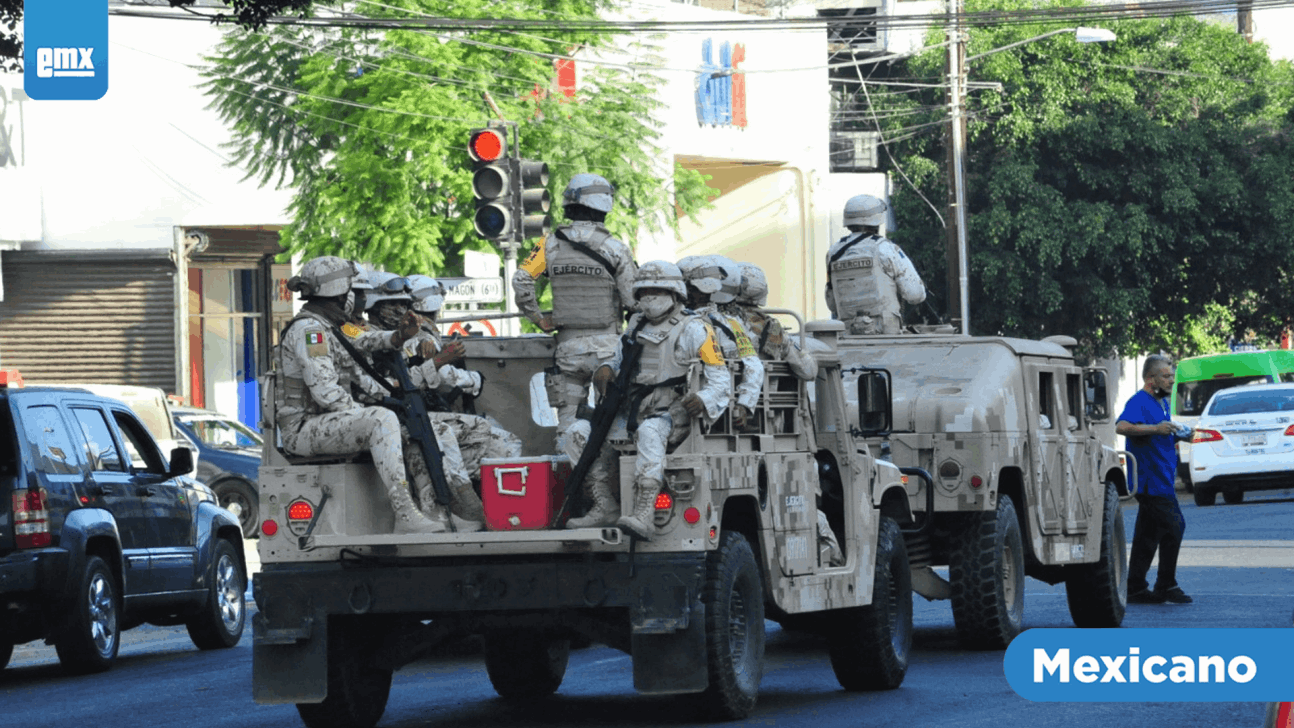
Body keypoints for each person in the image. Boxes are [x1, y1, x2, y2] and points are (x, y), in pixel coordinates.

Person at [275, 256, 451, 534]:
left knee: (412, 428)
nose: (355, 301)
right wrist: (371, 411)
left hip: (329, 422)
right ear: (337, 294)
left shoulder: (335, 324)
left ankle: (432, 509)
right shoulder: (310, 332)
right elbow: (327, 394)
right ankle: (404, 513)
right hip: (305, 428)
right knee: (381, 420)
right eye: (350, 293)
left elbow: (365, 338)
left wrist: (399, 336)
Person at [563, 260, 731, 538]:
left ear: (675, 293)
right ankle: (604, 504)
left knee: (650, 432)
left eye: (658, 290)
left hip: (672, 413)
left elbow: (720, 378)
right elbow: (617, 362)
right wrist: (604, 371)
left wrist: (702, 399)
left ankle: (644, 512)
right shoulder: (635, 325)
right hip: (629, 411)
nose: (649, 298)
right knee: (577, 432)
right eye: (643, 292)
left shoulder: (695, 329)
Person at [727, 262, 842, 566]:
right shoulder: (768, 327)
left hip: (726, 424)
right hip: (776, 426)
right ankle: (831, 558)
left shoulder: (714, 324)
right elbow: (807, 370)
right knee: (810, 502)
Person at [512, 173, 638, 442]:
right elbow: (632, 301)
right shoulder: (616, 249)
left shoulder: (548, 244)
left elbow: (521, 279)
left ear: (570, 204)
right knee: (614, 425)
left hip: (568, 350)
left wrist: (537, 318)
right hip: (607, 351)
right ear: (604, 206)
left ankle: (570, 480)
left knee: (568, 428)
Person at [403, 274, 522, 522]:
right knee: (507, 442)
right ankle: (496, 509)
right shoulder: (421, 335)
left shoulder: (408, 333)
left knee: (487, 432)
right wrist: (475, 380)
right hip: (416, 416)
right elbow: (443, 376)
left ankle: (480, 503)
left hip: (419, 412)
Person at [1117, 354, 1193, 604]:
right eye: (1166, 376)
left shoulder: (1162, 402)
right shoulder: (1139, 401)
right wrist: (1156, 429)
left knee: (1147, 535)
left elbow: (1161, 435)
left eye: (1172, 375)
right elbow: (1122, 427)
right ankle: (1165, 584)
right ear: (1151, 379)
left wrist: (1178, 434)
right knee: (1174, 527)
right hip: (1150, 482)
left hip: (1162, 478)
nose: (1172, 380)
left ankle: (1135, 587)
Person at [677, 255, 764, 431]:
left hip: (708, 410)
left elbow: (754, 366)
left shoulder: (730, 323)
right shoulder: (673, 323)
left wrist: (743, 405)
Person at [824, 194, 926, 335]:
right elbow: (915, 294)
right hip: (886, 340)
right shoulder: (886, 249)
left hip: (848, 341)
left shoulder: (833, 253)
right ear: (878, 219)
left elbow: (832, 304)